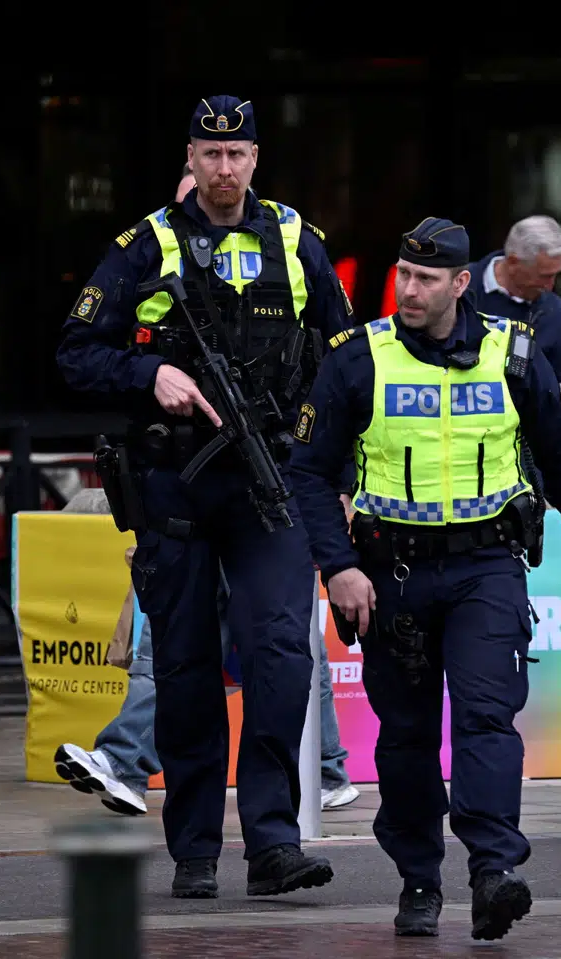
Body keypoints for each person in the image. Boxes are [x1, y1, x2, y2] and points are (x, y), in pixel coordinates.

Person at [55, 95, 356, 900]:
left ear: (256, 159)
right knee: (185, 669)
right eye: (210, 155)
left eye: (238, 155)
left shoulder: (296, 241)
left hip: (272, 485)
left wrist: (347, 476)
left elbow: (345, 364)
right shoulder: (144, 246)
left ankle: (274, 842)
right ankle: (194, 847)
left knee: (281, 656)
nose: (224, 170)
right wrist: (148, 373)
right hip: (175, 484)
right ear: (190, 156)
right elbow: (75, 352)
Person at [288, 217, 561, 940]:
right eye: (405, 274)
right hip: (391, 572)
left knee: (485, 717)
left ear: (462, 284)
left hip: (485, 566)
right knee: (405, 736)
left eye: (428, 279)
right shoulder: (356, 357)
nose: (410, 289)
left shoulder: (514, 353)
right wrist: (337, 566)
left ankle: (494, 870)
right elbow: (307, 472)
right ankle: (419, 878)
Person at [465, 214, 561, 508]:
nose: (551, 286)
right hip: (463, 457)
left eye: (556, 275)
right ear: (513, 262)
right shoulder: (461, 290)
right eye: (543, 276)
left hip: (527, 464)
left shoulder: (553, 309)